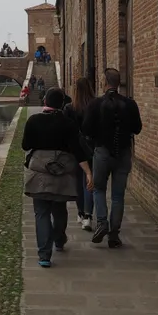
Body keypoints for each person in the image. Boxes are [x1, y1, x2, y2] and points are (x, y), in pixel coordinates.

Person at [22, 87, 92, 268]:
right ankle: (59, 240)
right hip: (61, 173)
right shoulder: (68, 123)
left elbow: (25, 145)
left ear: (45, 101)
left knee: (41, 213)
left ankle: (44, 255)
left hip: (39, 174)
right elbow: (78, 150)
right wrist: (88, 172)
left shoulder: (34, 120)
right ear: (62, 104)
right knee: (59, 209)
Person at [82, 67, 142, 248]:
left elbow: (86, 130)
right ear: (118, 83)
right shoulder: (130, 104)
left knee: (99, 189)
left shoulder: (95, 104)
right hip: (123, 153)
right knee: (118, 195)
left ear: (104, 82)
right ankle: (114, 234)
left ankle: (102, 223)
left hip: (102, 152)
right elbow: (137, 128)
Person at [64, 77, 96, 231]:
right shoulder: (95, 105)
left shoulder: (69, 108)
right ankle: (88, 217)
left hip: (75, 151)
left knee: (78, 182)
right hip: (92, 149)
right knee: (89, 182)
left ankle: (81, 213)